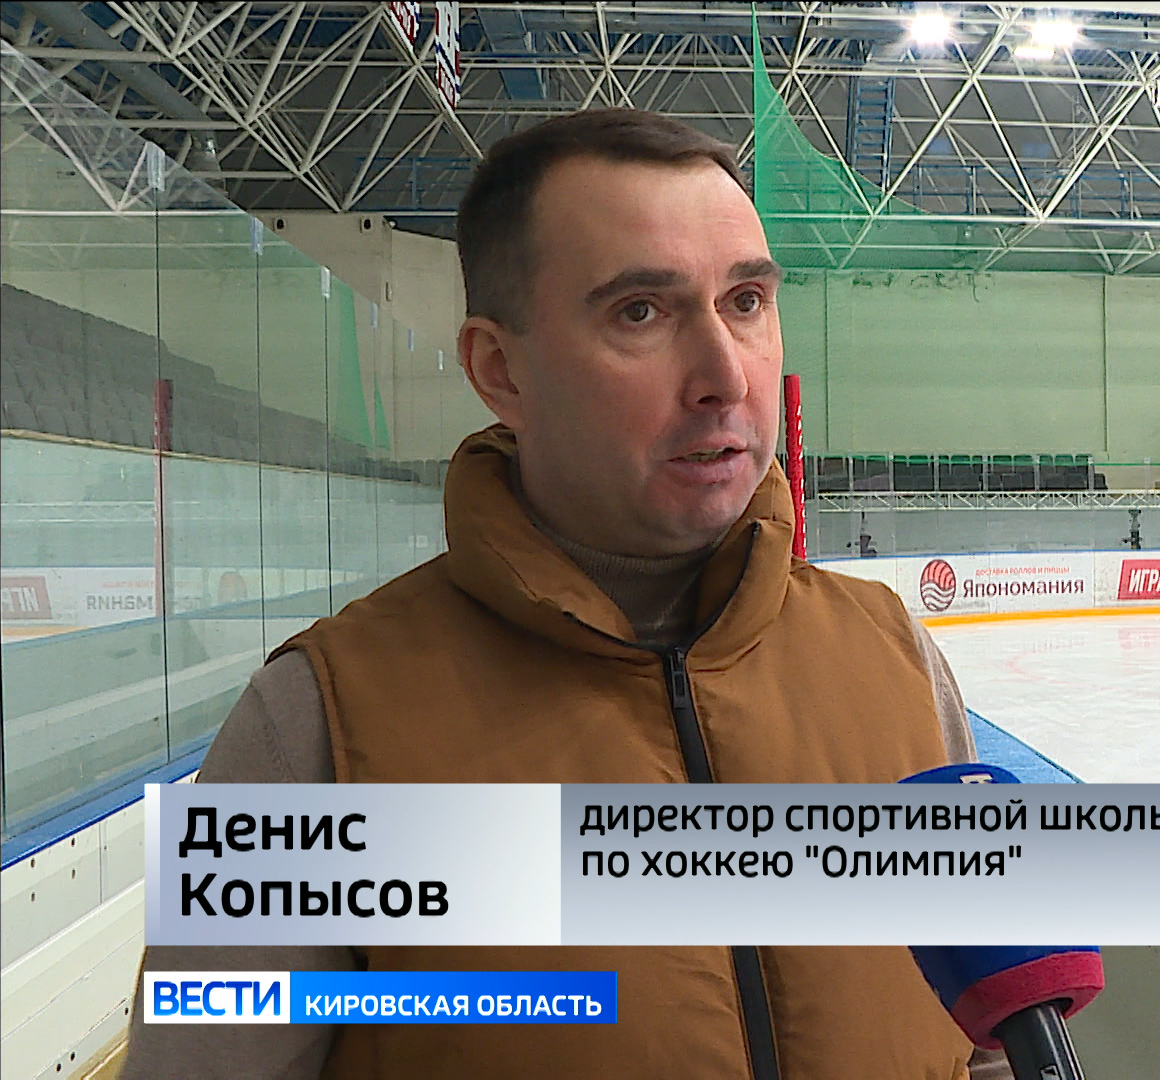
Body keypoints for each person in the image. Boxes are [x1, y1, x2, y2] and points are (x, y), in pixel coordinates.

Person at [126, 109, 1008, 1080]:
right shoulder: (317, 726)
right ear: (499, 369)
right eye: (641, 312)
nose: (725, 375)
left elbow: (989, 1046)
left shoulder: (895, 658)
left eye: (747, 300)